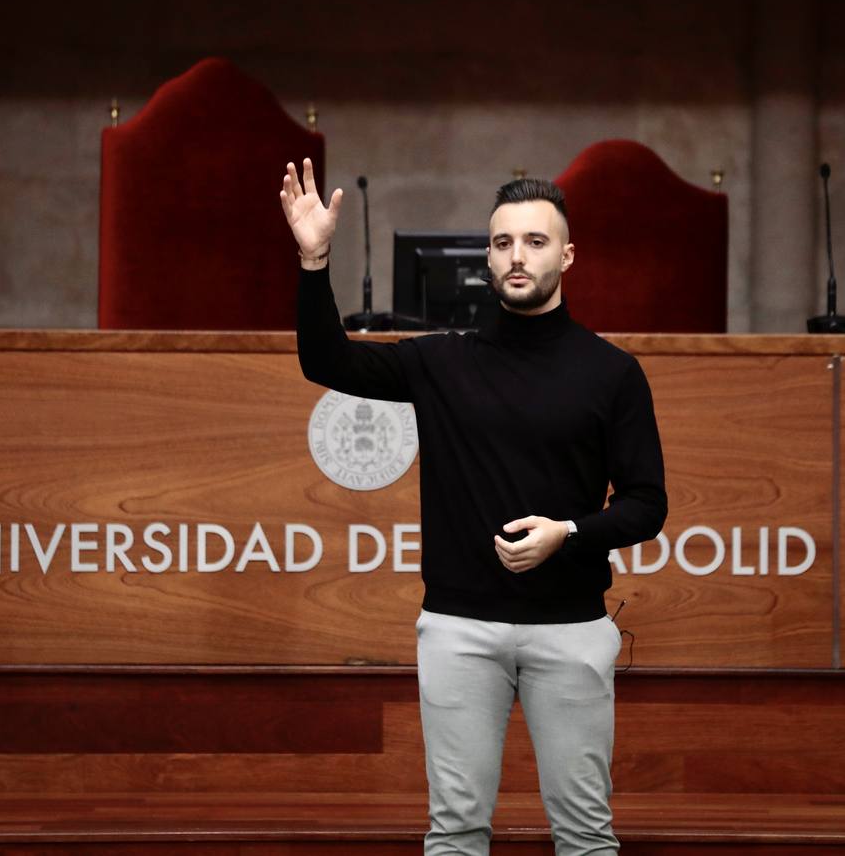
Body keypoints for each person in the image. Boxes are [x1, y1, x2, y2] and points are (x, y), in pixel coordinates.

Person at [280, 158, 667, 856]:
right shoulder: (442, 363)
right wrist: (314, 262)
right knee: (455, 834)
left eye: (536, 241)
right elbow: (326, 361)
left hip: (571, 632)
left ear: (567, 255)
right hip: (459, 631)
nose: (517, 256)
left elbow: (647, 505)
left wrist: (570, 532)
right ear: (487, 258)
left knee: (585, 836)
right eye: (502, 243)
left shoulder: (612, 372)